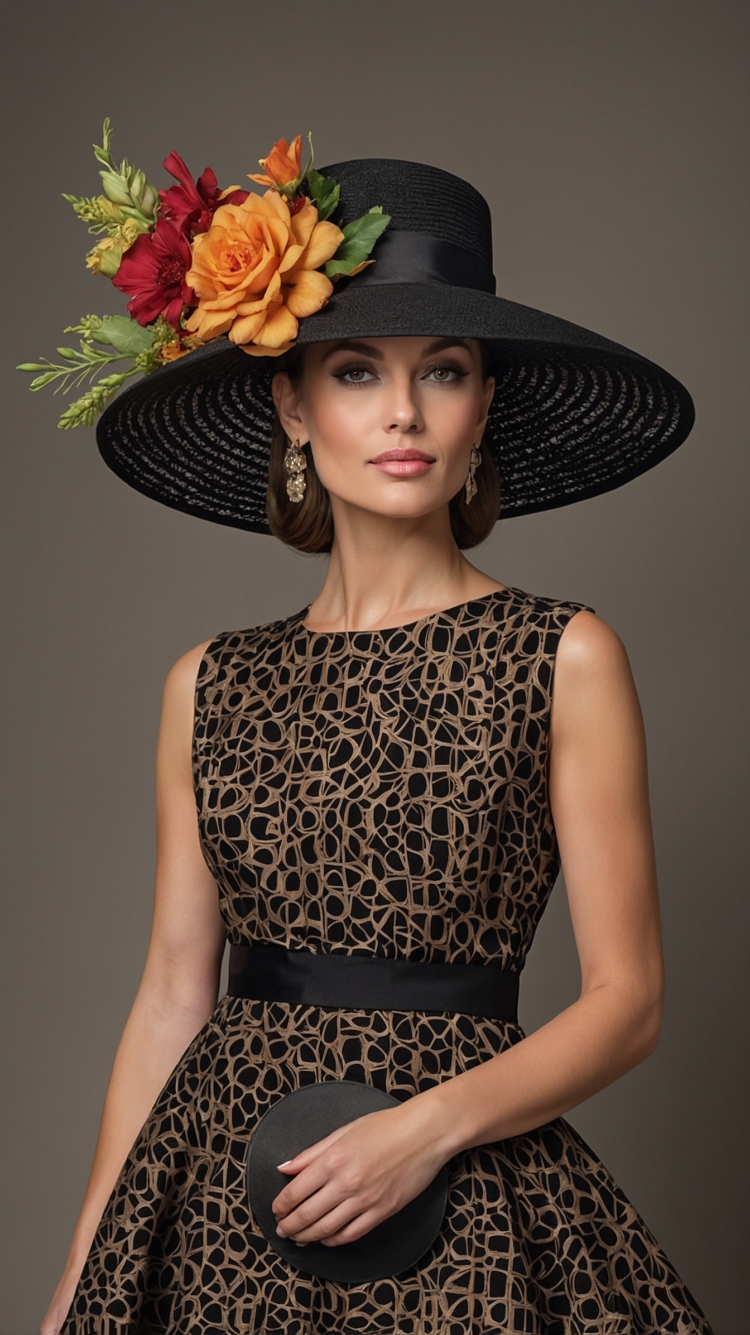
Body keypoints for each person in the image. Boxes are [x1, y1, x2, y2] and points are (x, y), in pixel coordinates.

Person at [40, 155, 712, 1333]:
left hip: (464, 1199)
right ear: (294, 406)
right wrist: (82, 1279)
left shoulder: (563, 656)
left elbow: (630, 1001)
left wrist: (424, 1130)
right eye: (357, 372)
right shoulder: (209, 682)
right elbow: (167, 1001)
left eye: (442, 373)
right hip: (216, 1218)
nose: (403, 414)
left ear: (483, 404)